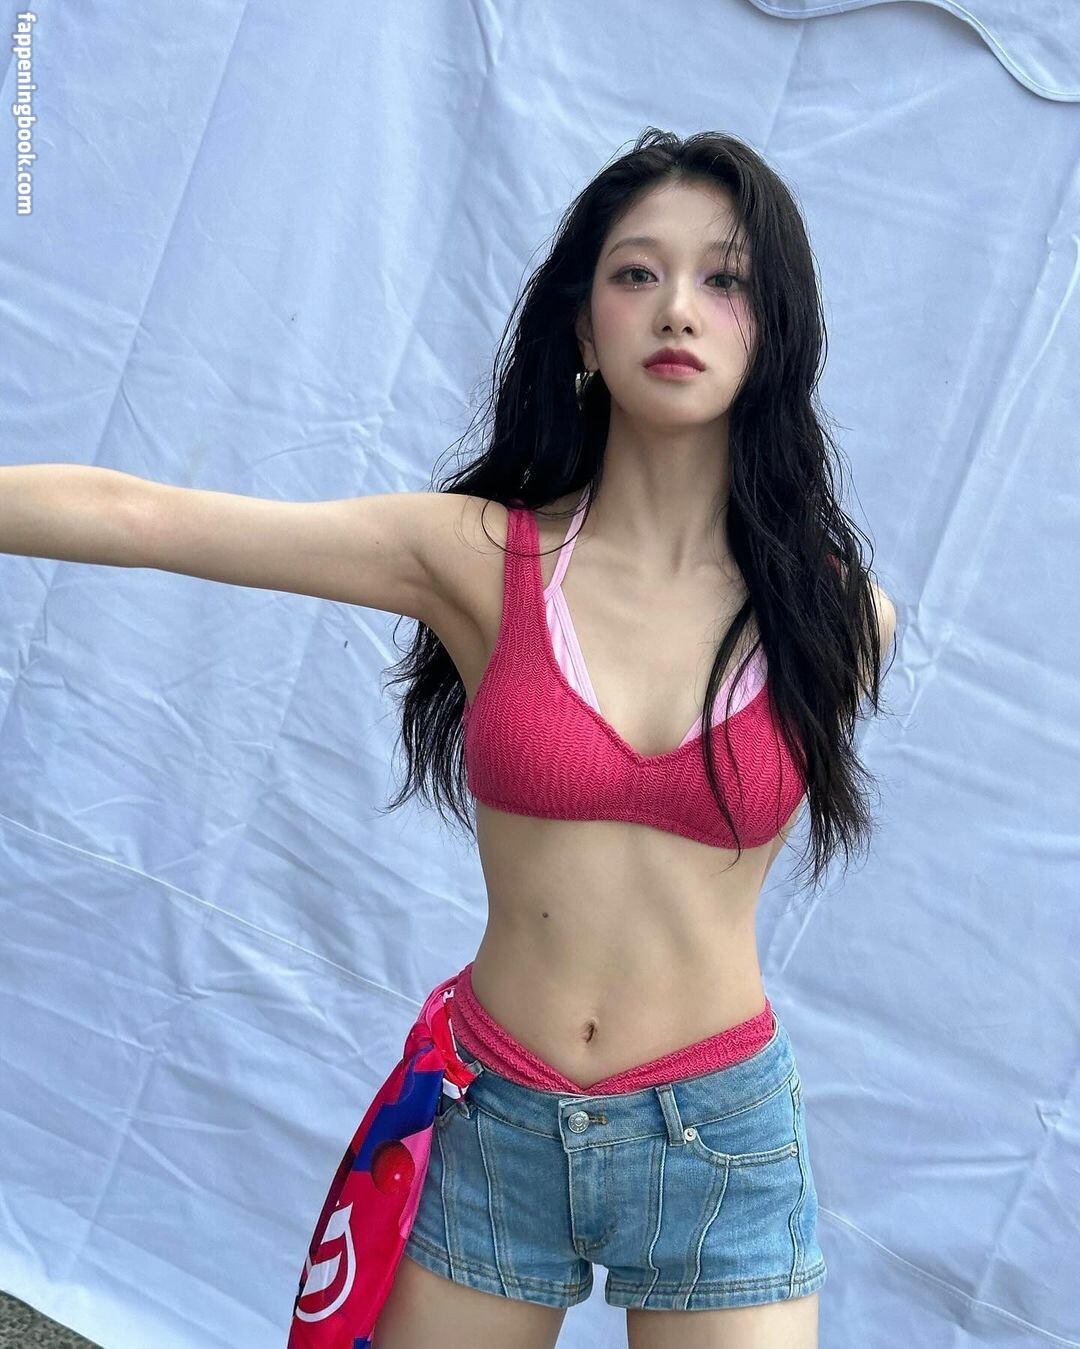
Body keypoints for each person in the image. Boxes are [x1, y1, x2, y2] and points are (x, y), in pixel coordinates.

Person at [1, 127, 896, 1349]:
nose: (678, 307)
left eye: (725, 278)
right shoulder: (478, 558)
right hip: (497, 1116)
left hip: (719, 1143)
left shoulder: (837, 618)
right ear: (583, 330)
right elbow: (144, 513)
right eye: (637, 272)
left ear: (776, 327)